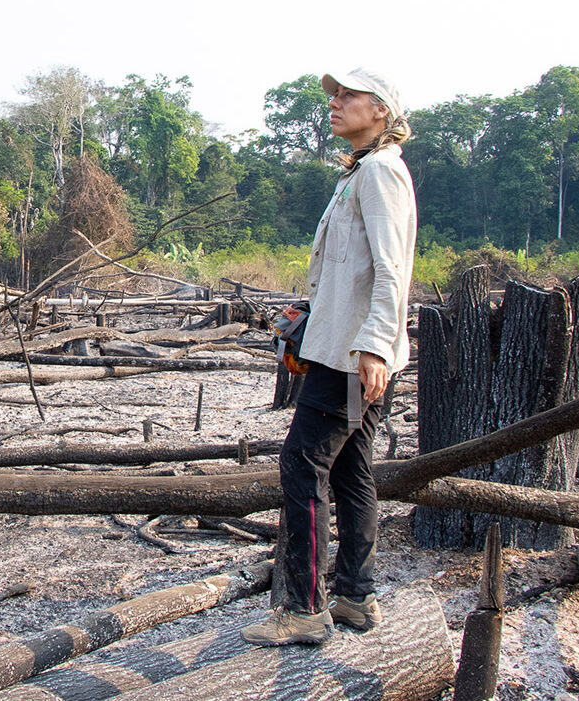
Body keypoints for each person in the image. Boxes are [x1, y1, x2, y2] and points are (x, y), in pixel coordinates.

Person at [242, 67, 417, 646]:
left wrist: (374, 346)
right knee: (350, 470)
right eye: (335, 95)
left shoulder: (381, 173)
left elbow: (393, 271)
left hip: (352, 357)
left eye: (349, 95)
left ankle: (305, 609)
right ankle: (356, 598)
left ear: (381, 110)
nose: (335, 103)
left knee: (303, 464)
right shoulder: (361, 172)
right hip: (347, 348)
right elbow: (352, 272)